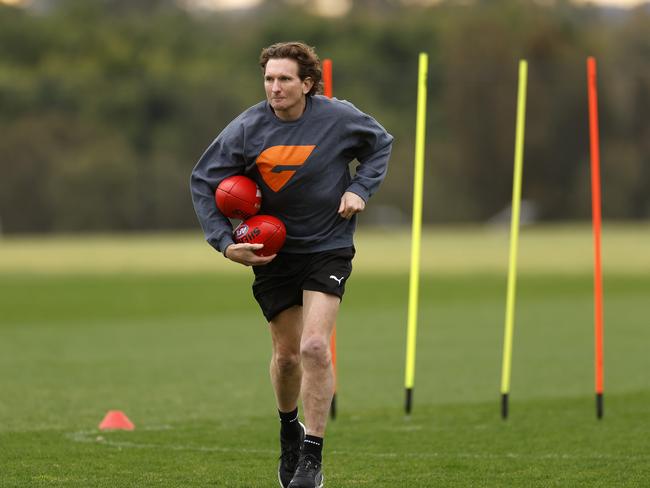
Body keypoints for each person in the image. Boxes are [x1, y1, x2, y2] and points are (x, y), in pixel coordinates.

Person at [190, 41, 393, 488]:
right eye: (268, 79)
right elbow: (204, 181)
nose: (275, 87)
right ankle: (289, 430)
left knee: (314, 348)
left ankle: (312, 459)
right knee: (285, 359)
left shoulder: (338, 117)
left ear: (307, 83)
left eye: (284, 79)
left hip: (328, 245)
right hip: (273, 253)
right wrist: (225, 244)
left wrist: (360, 189)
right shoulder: (247, 128)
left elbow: (380, 144)